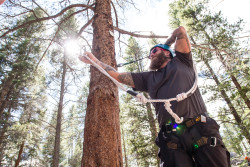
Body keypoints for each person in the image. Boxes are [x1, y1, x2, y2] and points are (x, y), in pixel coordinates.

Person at [79, 26, 230, 167]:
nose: (151, 55)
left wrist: (166, 44)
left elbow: (181, 31)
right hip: (172, 136)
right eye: (150, 53)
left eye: (154, 51)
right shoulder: (147, 78)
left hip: (200, 128)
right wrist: (94, 61)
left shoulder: (182, 61)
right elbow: (117, 76)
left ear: (167, 53)